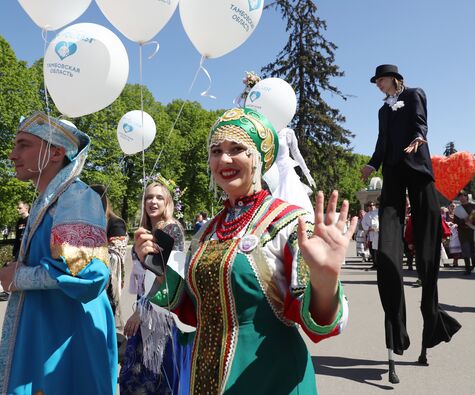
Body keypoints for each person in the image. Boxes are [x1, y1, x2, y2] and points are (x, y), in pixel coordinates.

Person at [134, 108, 357, 394]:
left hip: (270, 377)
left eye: (236, 149)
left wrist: (326, 277)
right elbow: (192, 311)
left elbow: (319, 324)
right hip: (205, 374)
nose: (224, 159)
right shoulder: (205, 232)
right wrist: (159, 267)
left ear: (258, 158)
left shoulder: (290, 224)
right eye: (216, 151)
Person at [0, 111, 117, 394]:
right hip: (51, 328)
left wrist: (19, 277)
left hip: (67, 335)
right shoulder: (50, 200)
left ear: (56, 152)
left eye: (23, 144)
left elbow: (90, 275)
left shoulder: (75, 197)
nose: (12, 154)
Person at [360, 65, 461, 383]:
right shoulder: (382, 109)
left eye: (380, 80)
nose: (377, 85)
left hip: (418, 171)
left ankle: (432, 325)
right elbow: (381, 141)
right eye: (375, 82)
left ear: (394, 79)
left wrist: (419, 139)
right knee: (388, 254)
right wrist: (371, 164)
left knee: (428, 252)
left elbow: (420, 123)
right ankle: (396, 336)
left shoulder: (415, 94)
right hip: (392, 173)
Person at [120, 176, 192, 394]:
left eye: (159, 198)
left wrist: (141, 311)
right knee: (136, 375)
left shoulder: (170, 230)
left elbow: (169, 277)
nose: (153, 202)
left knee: (156, 376)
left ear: (168, 203)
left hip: (162, 311)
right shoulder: (145, 230)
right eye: (149, 197)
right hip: (145, 307)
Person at [90, 185, 128, 333]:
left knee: (105, 319)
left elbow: (116, 254)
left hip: (109, 281)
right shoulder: (90, 223)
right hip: (92, 278)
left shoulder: (115, 222)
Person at [263, 127, 316, 213]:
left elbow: (296, 153)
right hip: (272, 170)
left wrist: (307, 173)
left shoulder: (288, 132)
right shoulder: (267, 130)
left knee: (289, 196)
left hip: (286, 170)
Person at [0, 202, 31, 302]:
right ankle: (9, 291)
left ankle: (10, 292)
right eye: (17, 208)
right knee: (13, 268)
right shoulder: (19, 221)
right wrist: (15, 251)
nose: (17, 210)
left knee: (18, 269)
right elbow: (17, 237)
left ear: (26, 208)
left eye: (20, 208)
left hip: (27, 249)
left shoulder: (31, 219)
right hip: (19, 250)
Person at [454, 191, 475, 274]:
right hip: (462, 231)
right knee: (465, 248)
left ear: (466, 197)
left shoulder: (473, 206)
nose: (462, 198)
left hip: (472, 230)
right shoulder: (458, 209)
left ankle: (473, 265)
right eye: (460, 197)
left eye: (463, 196)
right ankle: (467, 268)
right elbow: (455, 220)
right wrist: (463, 221)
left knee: (473, 248)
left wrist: (473, 222)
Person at [362, 200, 379, 270]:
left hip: (378, 233)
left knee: (378, 249)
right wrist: (368, 229)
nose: (372, 207)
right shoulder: (366, 215)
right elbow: (364, 224)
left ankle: (380, 264)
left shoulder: (379, 212)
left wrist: (376, 228)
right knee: (372, 250)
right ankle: (375, 264)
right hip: (371, 234)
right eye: (370, 206)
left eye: (373, 205)